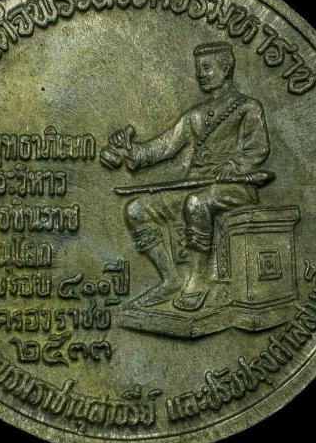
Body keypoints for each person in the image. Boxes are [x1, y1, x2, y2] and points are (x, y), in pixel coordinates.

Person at [108, 41, 270, 311]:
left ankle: (197, 281)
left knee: (196, 203)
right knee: (136, 210)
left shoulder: (247, 108)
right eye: (198, 69)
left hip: (234, 187)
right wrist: (130, 150)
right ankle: (170, 280)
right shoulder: (195, 115)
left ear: (226, 68)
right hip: (194, 184)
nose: (200, 74)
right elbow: (165, 146)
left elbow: (258, 148)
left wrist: (235, 164)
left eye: (207, 67)